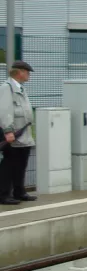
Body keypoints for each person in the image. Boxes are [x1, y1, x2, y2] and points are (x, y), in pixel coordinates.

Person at [0, 61, 36, 205]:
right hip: (13, 134)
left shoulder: (21, 89)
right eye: (27, 72)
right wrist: (8, 131)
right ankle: (3, 195)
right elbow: (5, 111)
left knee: (21, 164)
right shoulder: (6, 88)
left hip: (23, 134)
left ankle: (19, 192)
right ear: (20, 72)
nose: (29, 75)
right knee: (9, 165)